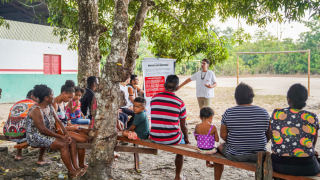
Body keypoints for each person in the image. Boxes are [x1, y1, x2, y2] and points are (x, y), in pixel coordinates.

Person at [26, 85, 86, 178]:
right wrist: (61, 137)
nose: (53, 97)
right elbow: (42, 130)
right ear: (46, 98)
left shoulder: (49, 106)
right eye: (52, 95)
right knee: (63, 144)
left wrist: (66, 133)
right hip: (35, 136)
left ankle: (76, 167)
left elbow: (58, 121)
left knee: (72, 140)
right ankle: (72, 171)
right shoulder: (36, 110)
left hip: (46, 133)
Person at [215, 82, 270, 180]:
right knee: (259, 163)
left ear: (236, 99)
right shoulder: (264, 112)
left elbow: (223, 135)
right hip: (259, 155)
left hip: (236, 155)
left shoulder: (229, 112)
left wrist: (236, 142)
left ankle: (217, 178)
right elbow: (269, 134)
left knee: (219, 147)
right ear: (251, 98)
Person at [268, 84, 320, 176]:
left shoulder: (277, 113)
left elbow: (273, 137)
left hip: (278, 164)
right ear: (305, 100)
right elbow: (313, 143)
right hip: (306, 166)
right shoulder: (312, 116)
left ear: (288, 99)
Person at [150, 75, 189, 180]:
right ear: (177, 88)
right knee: (181, 147)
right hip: (172, 138)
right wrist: (186, 138)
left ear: (164, 85)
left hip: (154, 136)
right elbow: (183, 125)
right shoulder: (180, 103)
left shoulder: (154, 98)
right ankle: (178, 176)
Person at [52, 80, 89, 171]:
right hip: (59, 131)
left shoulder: (63, 104)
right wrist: (70, 127)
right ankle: (77, 165)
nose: (70, 100)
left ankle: (80, 164)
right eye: (69, 97)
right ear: (64, 93)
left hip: (66, 128)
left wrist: (72, 125)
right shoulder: (55, 104)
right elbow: (55, 124)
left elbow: (64, 120)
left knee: (85, 136)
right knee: (83, 139)